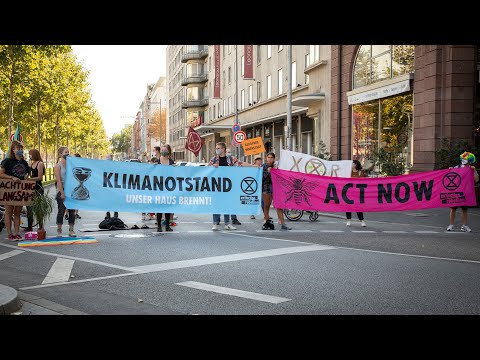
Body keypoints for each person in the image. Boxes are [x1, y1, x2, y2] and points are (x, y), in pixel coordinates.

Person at [208, 142, 252, 231]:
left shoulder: (231, 159)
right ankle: (215, 223)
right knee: (216, 204)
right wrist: (212, 166)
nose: (217, 150)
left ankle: (227, 223)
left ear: (223, 149)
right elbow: (206, 170)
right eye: (216, 148)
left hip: (228, 186)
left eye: (218, 148)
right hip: (217, 185)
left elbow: (240, 163)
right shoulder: (214, 159)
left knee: (227, 204)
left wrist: (253, 166)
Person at [0, 141, 30, 240]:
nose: (20, 151)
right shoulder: (7, 161)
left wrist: (26, 177)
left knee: (17, 212)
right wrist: (11, 178)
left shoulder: (24, 163)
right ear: (13, 150)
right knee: (8, 212)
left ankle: (17, 233)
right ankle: (10, 234)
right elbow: (1, 174)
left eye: (21, 149)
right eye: (18, 149)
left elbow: (26, 174)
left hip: (20, 190)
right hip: (9, 190)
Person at [447, 151, 479, 232]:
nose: (464, 160)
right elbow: (450, 177)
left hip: (466, 191)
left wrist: (474, 171)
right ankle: (451, 225)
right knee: (453, 208)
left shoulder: (471, 169)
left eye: (466, 159)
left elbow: (476, 179)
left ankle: (464, 225)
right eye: (463, 158)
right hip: (456, 191)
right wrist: (450, 170)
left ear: (470, 160)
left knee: (464, 209)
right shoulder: (457, 167)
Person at [262, 152, 292, 230]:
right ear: (266, 158)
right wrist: (268, 172)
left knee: (279, 206)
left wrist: (276, 170)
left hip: (276, 189)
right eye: (268, 157)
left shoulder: (277, 166)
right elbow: (261, 178)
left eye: (271, 158)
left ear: (274, 159)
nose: (270, 159)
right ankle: (266, 222)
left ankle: (283, 224)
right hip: (266, 189)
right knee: (266, 205)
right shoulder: (264, 166)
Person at [54, 146, 77, 237]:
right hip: (62, 190)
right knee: (61, 210)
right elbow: (58, 181)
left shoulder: (71, 165)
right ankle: (59, 230)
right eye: (65, 152)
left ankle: (71, 230)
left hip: (71, 190)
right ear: (60, 154)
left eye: (68, 152)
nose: (67, 154)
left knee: (72, 211)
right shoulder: (57, 166)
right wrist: (62, 193)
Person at [154, 145, 175, 232]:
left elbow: (175, 174)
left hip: (168, 187)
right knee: (159, 207)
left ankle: (167, 226)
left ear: (168, 151)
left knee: (167, 207)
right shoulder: (157, 162)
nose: (163, 151)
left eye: (165, 150)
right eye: (162, 150)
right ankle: (159, 225)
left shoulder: (171, 162)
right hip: (159, 187)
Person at [26, 149, 45, 232]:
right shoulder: (31, 163)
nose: (29, 156)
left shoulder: (39, 163)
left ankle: (41, 226)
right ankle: (29, 226)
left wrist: (29, 179)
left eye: (30, 154)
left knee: (38, 207)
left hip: (37, 187)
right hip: (30, 187)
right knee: (29, 207)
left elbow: (40, 177)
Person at [346, 160, 367, 227]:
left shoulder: (361, 172)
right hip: (349, 192)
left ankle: (362, 221)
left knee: (358, 207)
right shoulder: (348, 172)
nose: (351, 165)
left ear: (355, 165)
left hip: (358, 192)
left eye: (352, 164)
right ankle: (348, 220)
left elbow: (365, 181)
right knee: (348, 207)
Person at [65, 152, 82, 220]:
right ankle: (66, 213)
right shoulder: (69, 165)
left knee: (77, 199)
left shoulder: (80, 165)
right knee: (69, 199)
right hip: (70, 184)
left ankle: (76, 213)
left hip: (77, 183)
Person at [104, 154, 119, 219]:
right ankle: (108, 213)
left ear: (111, 158)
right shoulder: (104, 165)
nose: (107, 158)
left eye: (108, 157)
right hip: (107, 184)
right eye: (106, 157)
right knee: (107, 199)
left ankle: (116, 212)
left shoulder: (115, 165)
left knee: (115, 199)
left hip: (114, 185)